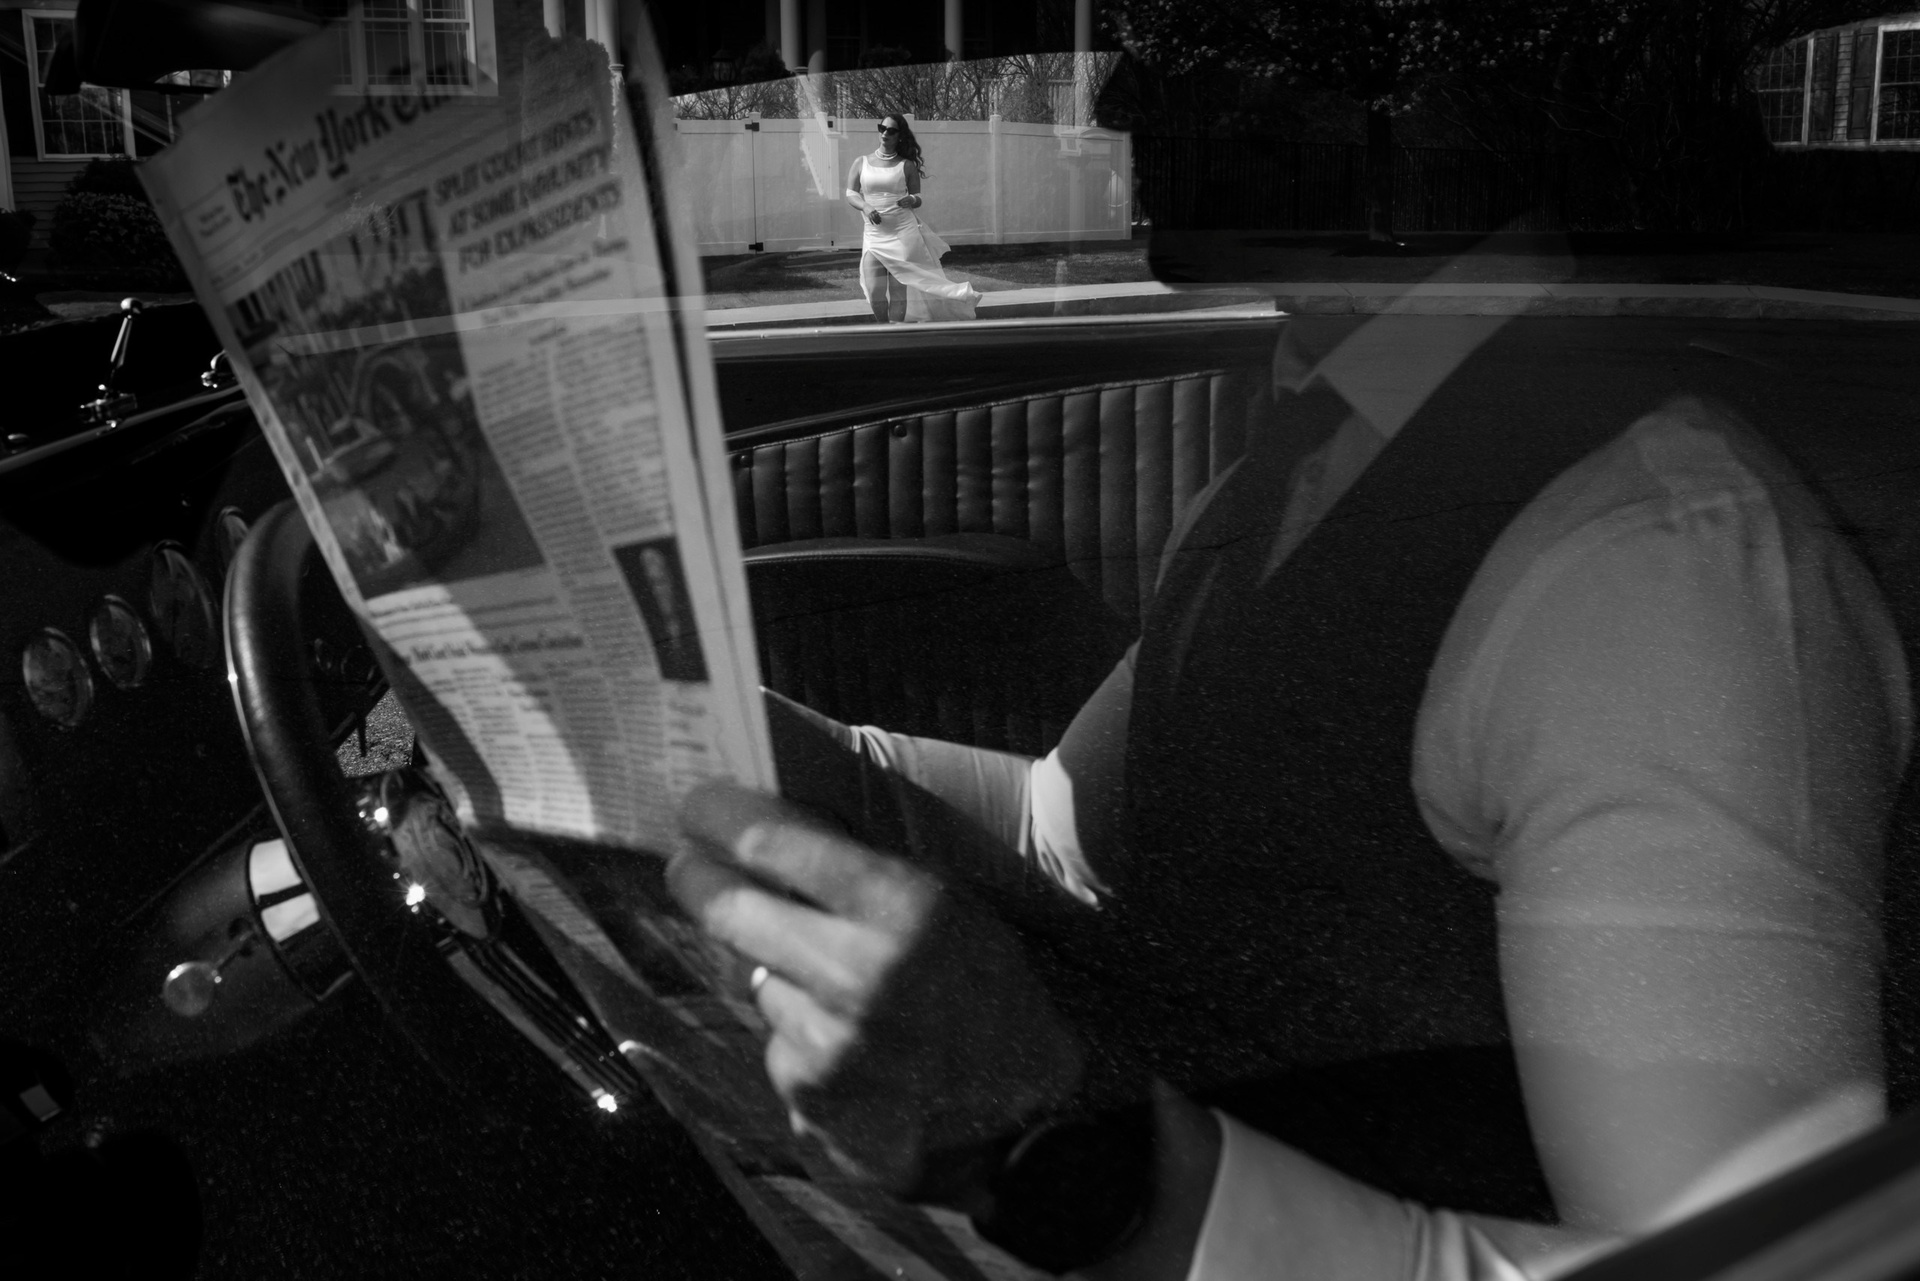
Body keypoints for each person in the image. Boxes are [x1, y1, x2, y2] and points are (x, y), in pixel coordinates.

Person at [669, 377, 1913, 1280]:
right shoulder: (1316, 454)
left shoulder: (1647, 574)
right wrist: (746, 752)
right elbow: (1069, 836)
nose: (1127, 115)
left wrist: (1086, 1175)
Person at [843, 115, 981, 324]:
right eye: (882, 128)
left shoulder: (906, 165)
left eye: (891, 130)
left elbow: (918, 197)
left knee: (898, 290)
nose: (885, 133)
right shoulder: (861, 162)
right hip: (875, 235)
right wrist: (865, 206)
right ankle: (883, 327)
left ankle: (894, 333)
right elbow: (851, 193)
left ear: (900, 136)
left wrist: (912, 199)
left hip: (902, 233)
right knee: (874, 290)